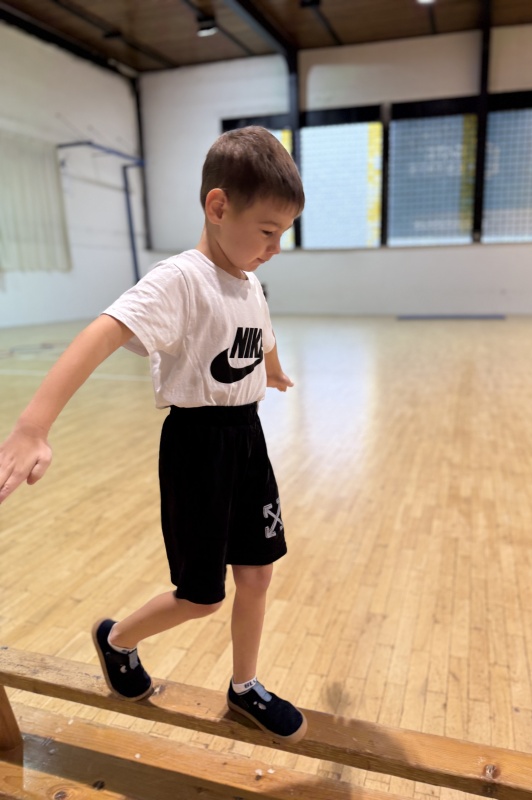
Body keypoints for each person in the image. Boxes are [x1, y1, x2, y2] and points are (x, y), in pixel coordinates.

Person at [0, 126, 307, 743]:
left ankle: (244, 686)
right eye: (268, 231)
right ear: (218, 207)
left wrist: (270, 370)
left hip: (247, 439)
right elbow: (104, 332)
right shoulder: (179, 280)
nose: (275, 248)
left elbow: (260, 331)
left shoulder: (250, 281)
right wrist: (33, 426)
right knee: (202, 597)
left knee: (257, 573)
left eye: (284, 235)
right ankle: (117, 640)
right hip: (198, 447)